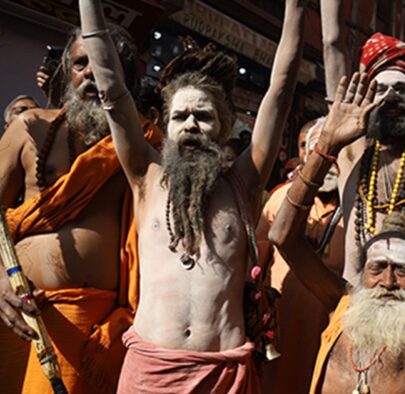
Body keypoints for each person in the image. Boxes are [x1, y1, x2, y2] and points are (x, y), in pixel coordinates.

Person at [78, 0, 305, 391]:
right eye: (180, 117)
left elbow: (281, 90)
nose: (192, 126)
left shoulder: (244, 183)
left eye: (204, 116)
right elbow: (112, 87)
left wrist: (297, 8)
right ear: (165, 125)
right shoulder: (146, 175)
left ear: (224, 127)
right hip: (151, 370)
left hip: (223, 374)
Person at [269, 34, 405, 393]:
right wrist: (327, 145)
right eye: (378, 268)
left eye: (400, 270)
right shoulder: (343, 302)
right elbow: (280, 236)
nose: (386, 283)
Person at [0, 24, 153, 393]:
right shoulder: (30, 128)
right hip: (15, 310)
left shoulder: (145, 148)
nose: (91, 73)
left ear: (126, 76)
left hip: (91, 329)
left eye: (103, 63)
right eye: (80, 63)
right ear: (67, 71)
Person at [257, 117, 345, 393]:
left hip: (331, 346)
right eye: (318, 149)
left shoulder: (360, 209)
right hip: (280, 343)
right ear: (303, 154)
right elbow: (254, 267)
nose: (329, 160)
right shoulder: (280, 199)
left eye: (338, 151)